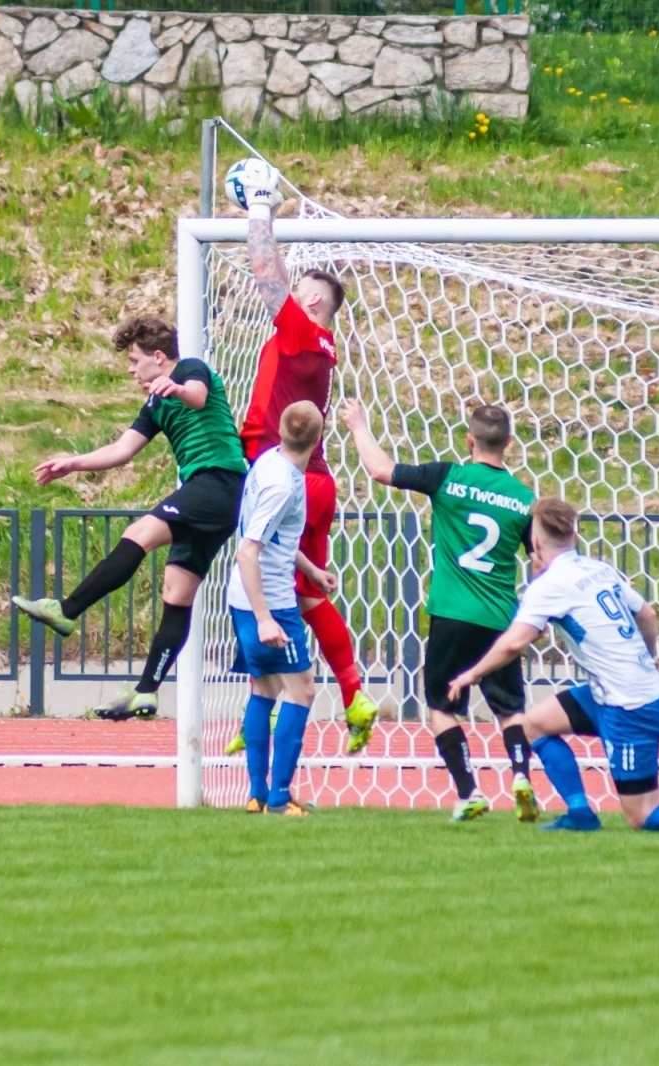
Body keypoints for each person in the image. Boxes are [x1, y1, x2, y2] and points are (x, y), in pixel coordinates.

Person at [448, 498, 659, 835]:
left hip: (629, 705)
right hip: (615, 692)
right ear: (575, 535)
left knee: (642, 815)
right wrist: (649, 656)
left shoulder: (550, 585)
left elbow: (514, 642)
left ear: (536, 543)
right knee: (533, 725)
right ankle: (580, 813)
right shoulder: (598, 568)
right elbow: (647, 615)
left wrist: (471, 674)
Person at [12, 318, 247, 721]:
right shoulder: (154, 403)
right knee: (176, 593)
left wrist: (176, 387)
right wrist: (73, 463)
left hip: (219, 483)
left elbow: (197, 395)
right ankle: (146, 691)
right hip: (214, 501)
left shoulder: (190, 369)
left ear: (158, 357)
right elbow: (123, 449)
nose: (131, 369)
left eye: (135, 360)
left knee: (138, 533)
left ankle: (67, 610)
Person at [234, 159, 379, 755]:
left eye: (300, 291)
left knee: (263, 578)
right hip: (310, 478)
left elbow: (266, 270)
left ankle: (270, 705)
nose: (289, 294)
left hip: (285, 476)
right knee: (304, 589)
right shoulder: (320, 343)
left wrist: (260, 207)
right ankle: (346, 694)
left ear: (313, 299)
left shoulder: (301, 330)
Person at [340, 398, 539, 823]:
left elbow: (381, 470)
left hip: (451, 614)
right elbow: (541, 561)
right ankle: (521, 777)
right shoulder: (524, 499)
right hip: (501, 618)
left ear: (469, 440)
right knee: (509, 708)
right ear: (508, 442)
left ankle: (469, 792)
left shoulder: (449, 477)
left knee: (443, 706)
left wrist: (359, 425)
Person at [231, 402, 336, 817]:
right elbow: (248, 551)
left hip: (243, 596)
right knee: (302, 691)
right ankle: (278, 796)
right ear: (319, 438)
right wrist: (265, 618)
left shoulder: (266, 461)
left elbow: (275, 540)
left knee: (266, 689)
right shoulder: (284, 485)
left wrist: (312, 569)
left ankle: (257, 794)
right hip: (269, 602)